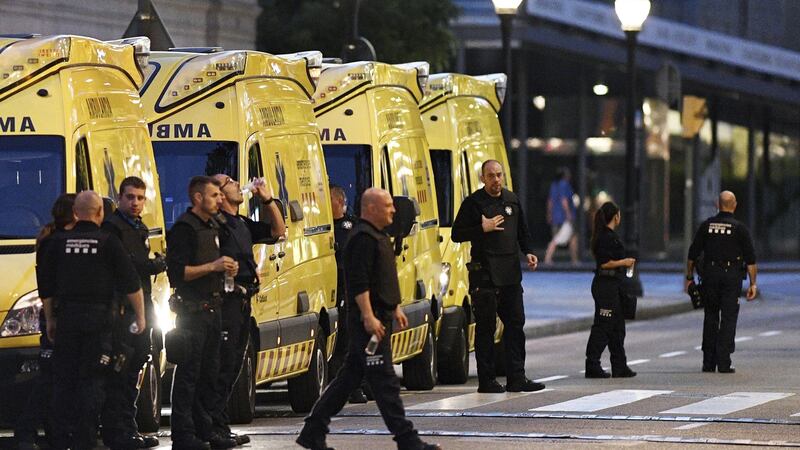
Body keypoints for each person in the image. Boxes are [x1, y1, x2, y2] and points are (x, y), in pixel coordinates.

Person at [297, 188, 441, 450]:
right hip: (370, 325)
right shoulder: (362, 238)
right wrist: (369, 316)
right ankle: (408, 440)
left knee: (348, 379)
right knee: (385, 383)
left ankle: (312, 431)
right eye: (387, 206)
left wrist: (394, 307)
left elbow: (381, 278)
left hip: (379, 317)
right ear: (371, 208)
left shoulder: (378, 236)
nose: (393, 210)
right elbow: (359, 284)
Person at [38, 191, 145, 450]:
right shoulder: (108, 242)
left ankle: (61, 439)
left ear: (76, 213)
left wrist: (51, 319)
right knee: (93, 381)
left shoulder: (57, 243)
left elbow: (47, 288)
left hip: (67, 320)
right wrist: (140, 317)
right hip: (98, 322)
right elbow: (132, 284)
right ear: (100, 213)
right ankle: (86, 440)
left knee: (64, 381)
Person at [451, 160, 544, 394]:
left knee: (515, 325)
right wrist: (482, 228)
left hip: (511, 274)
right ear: (483, 178)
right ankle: (487, 380)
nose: (496, 180)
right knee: (486, 329)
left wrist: (529, 252)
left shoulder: (512, 200)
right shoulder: (474, 203)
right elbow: (456, 234)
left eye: (499, 175)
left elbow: (523, 231)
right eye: (491, 176)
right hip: (485, 276)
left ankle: (517, 377)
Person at [210, 174, 285, 445]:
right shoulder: (216, 226)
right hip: (226, 303)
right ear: (217, 194)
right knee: (222, 365)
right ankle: (212, 427)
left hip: (243, 302)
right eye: (229, 181)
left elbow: (278, 231)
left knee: (234, 366)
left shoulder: (240, 223)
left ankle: (219, 424)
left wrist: (267, 199)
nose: (236, 183)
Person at [166, 176, 238, 450]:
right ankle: (183, 436)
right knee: (189, 375)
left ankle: (205, 430)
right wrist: (214, 266)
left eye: (220, 195)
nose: (220, 199)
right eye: (214, 195)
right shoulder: (185, 229)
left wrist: (226, 269)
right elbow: (178, 273)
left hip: (214, 309)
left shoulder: (213, 225)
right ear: (198, 198)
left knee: (210, 374)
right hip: (192, 313)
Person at [100, 177, 164, 450]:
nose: (135, 202)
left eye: (140, 197)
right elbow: (128, 266)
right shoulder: (113, 229)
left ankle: (128, 427)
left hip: (142, 304)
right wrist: (156, 265)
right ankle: (119, 431)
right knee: (122, 370)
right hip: (124, 310)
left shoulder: (138, 227)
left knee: (136, 364)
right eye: (130, 197)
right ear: (119, 197)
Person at [15, 194, 76, 450]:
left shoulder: (51, 239)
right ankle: (26, 432)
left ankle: (52, 433)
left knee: (55, 379)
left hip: (56, 315)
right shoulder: (55, 243)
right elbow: (49, 286)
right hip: (57, 316)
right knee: (49, 379)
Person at [685, 190, 757, 374]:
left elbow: (693, 254)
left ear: (718, 204)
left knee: (710, 316)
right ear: (734, 205)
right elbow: (750, 260)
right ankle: (724, 362)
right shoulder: (739, 229)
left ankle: (708, 362)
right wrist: (753, 284)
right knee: (728, 318)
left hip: (710, 275)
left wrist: (689, 278)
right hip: (731, 276)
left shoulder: (706, 225)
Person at [584, 201, 637, 379]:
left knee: (617, 326)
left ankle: (619, 365)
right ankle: (592, 364)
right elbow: (605, 262)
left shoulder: (608, 235)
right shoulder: (605, 237)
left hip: (613, 284)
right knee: (603, 325)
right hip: (605, 284)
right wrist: (625, 262)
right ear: (616, 216)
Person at [328, 184, 368, 404]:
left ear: (340, 201)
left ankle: (355, 387)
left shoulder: (352, 226)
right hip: (328, 289)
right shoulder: (322, 228)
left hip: (348, 290)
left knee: (350, 340)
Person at [544, 167, 579, 265]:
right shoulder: (564, 184)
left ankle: (574, 259)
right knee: (558, 238)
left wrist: (549, 214)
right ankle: (548, 259)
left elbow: (550, 201)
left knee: (572, 236)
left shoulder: (553, 185)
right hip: (563, 217)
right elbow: (564, 200)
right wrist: (568, 214)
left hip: (556, 216)